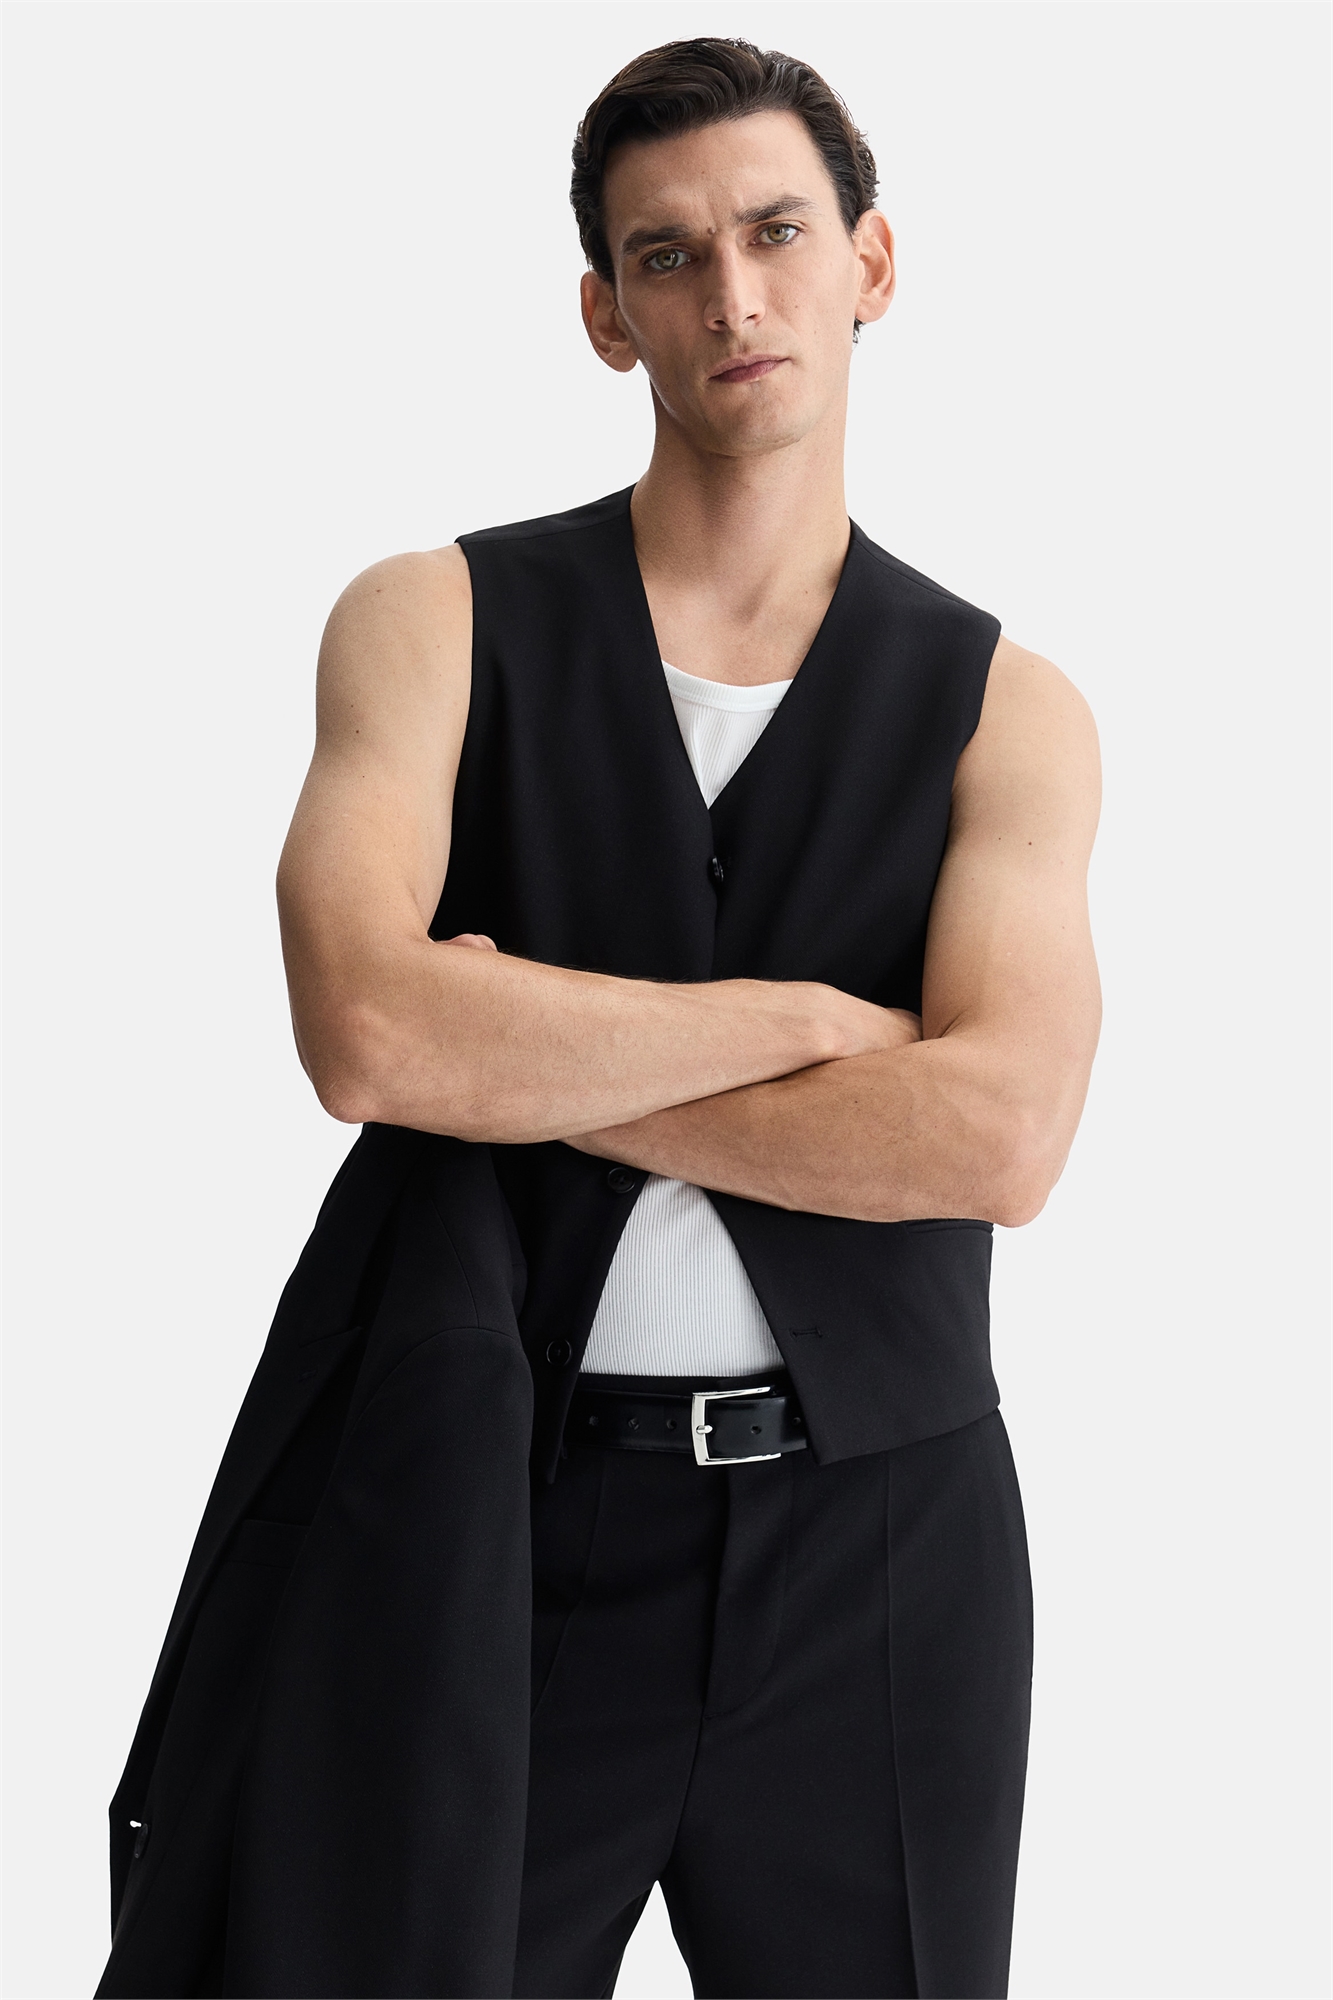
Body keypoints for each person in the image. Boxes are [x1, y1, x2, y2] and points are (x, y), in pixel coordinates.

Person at [99, 37, 1100, 2000]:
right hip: (491, 1513)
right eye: (666, 255)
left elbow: (997, 1138)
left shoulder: (1009, 705)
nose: (730, 294)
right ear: (602, 315)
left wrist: (516, 1055)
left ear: (869, 264)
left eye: (775, 233)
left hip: (884, 1550)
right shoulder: (431, 618)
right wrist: (807, 1024)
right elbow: (367, 1036)